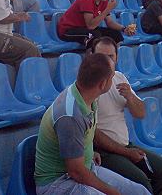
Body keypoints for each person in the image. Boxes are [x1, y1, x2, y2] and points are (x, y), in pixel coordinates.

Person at [34, 53, 151, 195]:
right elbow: (76, 172)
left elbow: (84, 134)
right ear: (102, 84)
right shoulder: (70, 115)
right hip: (58, 182)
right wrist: (113, 192)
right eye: (112, 76)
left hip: (85, 168)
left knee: (140, 192)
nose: (114, 78)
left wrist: (88, 151)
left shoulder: (87, 95)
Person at [93, 37, 162, 195]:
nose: (106, 61)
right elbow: (93, 133)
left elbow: (140, 113)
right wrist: (126, 152)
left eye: (110, 57)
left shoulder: (119, 77)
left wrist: (130, 96)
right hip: (103, 151)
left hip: (124, 145)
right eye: (101, 56)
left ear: (116, 58)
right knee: (142, 184)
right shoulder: (89, 84)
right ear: (91, 57)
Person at [57, 0, 127, 48]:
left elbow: (109, 22)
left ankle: (112, 58)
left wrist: (124, 28)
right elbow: (90, 26)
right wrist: (107, 10)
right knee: (94, 36)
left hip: (84, 28)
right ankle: (92, 59)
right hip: (68, 30)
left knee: (116, 34)